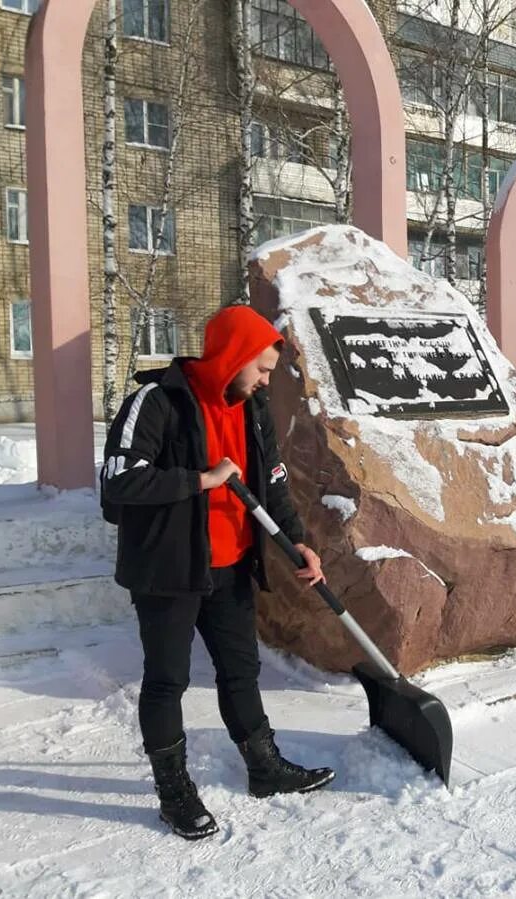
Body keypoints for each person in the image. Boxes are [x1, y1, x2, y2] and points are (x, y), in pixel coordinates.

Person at [101, 305, 335, 841]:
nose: (265, 381)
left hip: (230, 567)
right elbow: (118, 480)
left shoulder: (252, 410)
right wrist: (201, 480)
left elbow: (272, 480)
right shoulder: (156, 402)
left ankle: (264, 766)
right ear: (233, 357)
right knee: (167, 680)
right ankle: (173, 790)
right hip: (168, 569)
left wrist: (297, 540)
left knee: (241, 670)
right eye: (262, 369)